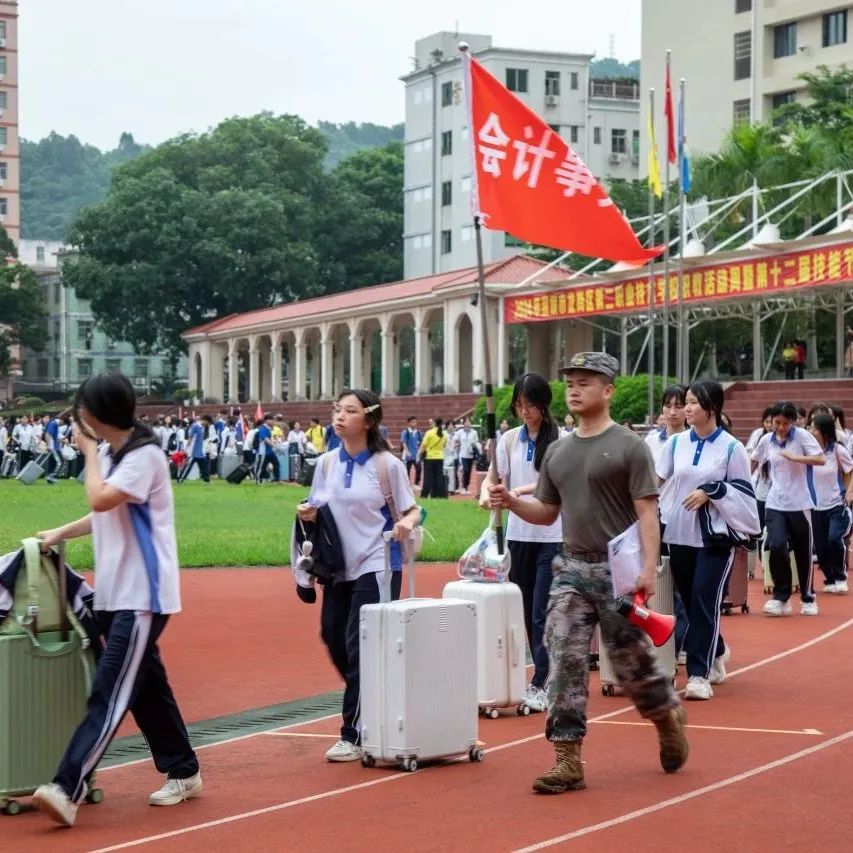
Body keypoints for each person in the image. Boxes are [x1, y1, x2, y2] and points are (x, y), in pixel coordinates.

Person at [489, 352, 688, 794]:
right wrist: (512, 502)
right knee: (564, 656)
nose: (575, 389)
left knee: (630, 665)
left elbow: (647, 510)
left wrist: (648, 568)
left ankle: (666, 715)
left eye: (585, 382)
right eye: (571, 382)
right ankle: (567, 757)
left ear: (608, 389)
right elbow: (546, 512)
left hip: (617, 571)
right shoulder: (557, 452)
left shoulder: (629, 446)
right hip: (571, 568)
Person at [31, 373, 200, 827]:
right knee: (145, 686)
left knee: (110, 691)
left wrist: (88, 454)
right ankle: (183, 769)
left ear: (93, 414)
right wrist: (61, 533)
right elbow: (103, 511)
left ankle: (68, 786)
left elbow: (102, 498)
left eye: (79, 409)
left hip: (143, 594)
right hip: (118, 591)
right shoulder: (113, 453)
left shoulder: (143, 456)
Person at [295, 389, 419, 762]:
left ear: (369, 419)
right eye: (337, 409)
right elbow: (318, 504)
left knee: (359, 645)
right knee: (332, 635)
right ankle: (373, 699)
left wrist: (403, 526)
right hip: (337, 566)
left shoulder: (387, 465)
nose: (340, 416)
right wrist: (307, 513)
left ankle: (354, 731)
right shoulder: (327, 463)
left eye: (350, 410)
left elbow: (413, 511)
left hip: (378, 564)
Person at [656, 381, 760, 701]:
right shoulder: (675, 444)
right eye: (685, 403)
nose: (686, 409)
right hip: (679, 534)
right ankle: (718, 649)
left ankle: (698, 674)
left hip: (715, 538)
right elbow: (655, 480)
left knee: (704, 597)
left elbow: (744, 495)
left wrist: (711, 492)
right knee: (690, 600)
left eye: (692, 403)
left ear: (712, 408)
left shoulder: (732, 448)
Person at [482, 373, 562, 712]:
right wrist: (488, 493)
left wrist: (516, 492)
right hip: (518, 535)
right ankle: (546, 670)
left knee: (541, 610)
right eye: (519, 405)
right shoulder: (509, 440)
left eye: (530, 405)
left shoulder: (561, 440)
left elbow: (551, 483)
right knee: (524, 609)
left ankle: (541, 680)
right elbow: (493, 477)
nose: (524, 411)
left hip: (552, 535)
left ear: (544, 405)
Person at [751, 400, 825, 616]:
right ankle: (781, 597)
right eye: (777, 422)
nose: (781, 427)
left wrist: (796, 457)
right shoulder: (766, 440)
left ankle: (807, 596)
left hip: (800, 504)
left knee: (802, 552)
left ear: (793, 422)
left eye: (785, 423)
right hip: (775, 503)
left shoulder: (802, 437)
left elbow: (820, 459)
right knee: (775, 545)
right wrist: (744, 481)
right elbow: (754, 460)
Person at [644, 385, 689, 657]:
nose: (673, 412)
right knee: (661, 585)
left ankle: (683, 643)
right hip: (656, 520)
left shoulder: (693, 441)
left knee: (683, 587)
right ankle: (669, 645)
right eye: (668, 405)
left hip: (685, 521)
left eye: (679, 405)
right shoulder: (651, 441)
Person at [809, 412, 853, 594]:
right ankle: (829, 577)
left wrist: (849, 492)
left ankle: (840, 576)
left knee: (834, 538)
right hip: (815, 506)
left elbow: (850, 470)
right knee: (820, 546)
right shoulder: (809, 451)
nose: (810, 431)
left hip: (835, 504)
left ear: (823, 430)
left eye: (813, 428)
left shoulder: (837, 450)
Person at [746, 408, 774, 565]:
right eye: (767, 422)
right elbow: (753, 461)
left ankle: (769, 561)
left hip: (776, 495)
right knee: (759, 528)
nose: (770, 425)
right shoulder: (760, 437)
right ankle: (762, 560)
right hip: (761, 492)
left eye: (772, 422)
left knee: (772, 529)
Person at [419, 418, 448, 498]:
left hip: (430, 457)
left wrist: (418, 455)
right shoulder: (444, 434)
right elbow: (444, 445)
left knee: (428, 478)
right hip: (440, 457)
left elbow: (423, 446)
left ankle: (424, 495)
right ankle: (437, 495)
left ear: (434, 423)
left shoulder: (429, 433)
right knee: (439, 478)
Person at [177, 415, 210, 483]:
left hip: (200, 451)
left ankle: (206, 480)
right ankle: (180, 479)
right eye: (208, 422)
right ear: (205, 420)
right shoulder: (195, 426)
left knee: (204, 466)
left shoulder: (202, 427)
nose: (207, 424)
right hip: (193, 451)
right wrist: (187, 449)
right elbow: (190, 437)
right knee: (188, 467)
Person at [453, 417, 481, 495]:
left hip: (471, 455)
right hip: (462, 455)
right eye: (466, 422)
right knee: (465, 470)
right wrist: (456, 445)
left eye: (469, 422)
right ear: (464, 423)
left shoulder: (474, 432)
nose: (468, 423)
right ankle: (463, 487)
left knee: (469, 472)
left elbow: (476, 442)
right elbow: (455, 440)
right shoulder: (459, 432)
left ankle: (466, 487)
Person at [256, 413, 281, 483]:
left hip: (269, 451)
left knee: (276, 464)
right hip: (263, 452)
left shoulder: (268, 428)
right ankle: (258, 480)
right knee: (261, 466)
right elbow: (265, 439)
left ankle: (277, 479)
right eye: (272, 420)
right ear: (267, 420)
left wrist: (274, 442)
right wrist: (273, 445)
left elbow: (269, 438)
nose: (273, 422)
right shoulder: (263, 428)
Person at [400, 416, 423, 487]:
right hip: (408, 455)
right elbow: (403, 442)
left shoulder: (418, 432)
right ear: (409, 423)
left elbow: (421, 442)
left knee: (419, 469)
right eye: (412, 422)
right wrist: (407, 451)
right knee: (407, 470)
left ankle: (416, 483)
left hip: (416, 455)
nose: (414, 423)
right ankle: (406, 484)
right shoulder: (405, 432)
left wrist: (420, 452)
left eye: (415, 422)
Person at [44, 412, 62, 484]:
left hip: (55, 446)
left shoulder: (53, 424)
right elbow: (48, 434)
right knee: (60, 462)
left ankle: (50, 479)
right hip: (54, 446)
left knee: (53, 462)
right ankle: (51, 476)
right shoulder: (53, 423)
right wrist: (49, 445)